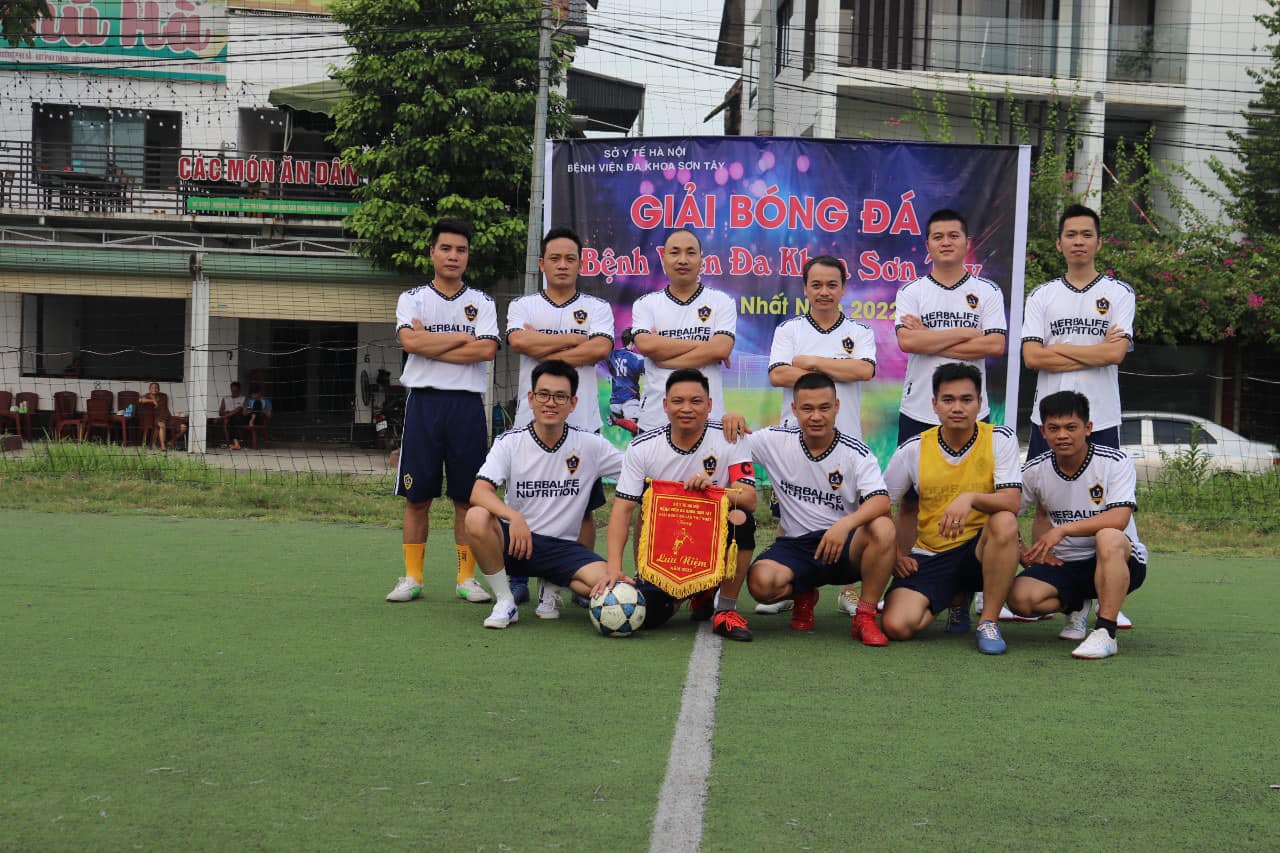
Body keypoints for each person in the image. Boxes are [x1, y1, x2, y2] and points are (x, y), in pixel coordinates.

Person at [1022, 203, 1136, 629]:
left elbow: (1116, 354)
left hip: (1100, 416)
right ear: (1059, 243)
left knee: (1106, 509)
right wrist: (1093, 351)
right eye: (1071, 234)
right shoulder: (1042, 295)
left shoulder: (1119, 293)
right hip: (1049, 417)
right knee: (1046, 501)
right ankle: (1049, 578)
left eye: (1086, 234)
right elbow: (1032, 357)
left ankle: (1104, 593)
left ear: (1098, 242)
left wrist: (1059, 350)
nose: (1078, 242)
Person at [386, 218, 500, 606]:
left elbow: (486, 349)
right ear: (432, 252)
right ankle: (412, 577)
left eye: (461, 250)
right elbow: (410, 342)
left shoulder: (483, 302)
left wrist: (429, 341)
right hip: (424, 404)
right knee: (417, 498)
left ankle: (466, 579)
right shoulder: (412, 299)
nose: (453, 256)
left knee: (467, 499)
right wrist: (460, 337)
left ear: (468, 256)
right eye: (446, 248)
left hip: (466, 406)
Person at [465, 360, 624, 628]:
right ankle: (505, 601)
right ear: (531, 398)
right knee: (476, 517)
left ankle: (553, 584)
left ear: (573, 403)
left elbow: (635, 471)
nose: (551, 403)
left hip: (563, 550)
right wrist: (513, 517)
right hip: (517, 544)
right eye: (543, 395)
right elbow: (479, 491)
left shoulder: (591, 445)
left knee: (615, 589)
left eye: (560, 396)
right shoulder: (509, 442)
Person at [760, 253, 877, 618]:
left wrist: (808, 364)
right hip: (796, 439)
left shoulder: (859, 331)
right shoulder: (789, 330)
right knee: (790, 513)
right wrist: (839, 370)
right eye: (816, 285)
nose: (824, 292)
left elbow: (864, 370)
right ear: (805, 289)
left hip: (845, 440)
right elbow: (778, 375)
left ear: (843, 288)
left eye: (831, 285)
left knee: (850, 512)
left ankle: (848, 591)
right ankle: (794, 586)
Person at [741, 372, 896, 646]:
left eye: (824, 408)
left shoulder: (856, 452)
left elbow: (881, 500)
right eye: (807, 408)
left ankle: (865, 616)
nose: (816, 416)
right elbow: (727, 443)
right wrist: (731, 420)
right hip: (796, 547)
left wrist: (845, 525)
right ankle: (803, 593)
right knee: (761, 584)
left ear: (837, 407)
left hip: (844, 546)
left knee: (883, 527)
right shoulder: (774, 440)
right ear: (794, 409)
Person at [604, 368, 758, 640]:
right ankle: (692, 591)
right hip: (666, 549)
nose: (686, 408)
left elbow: (749, 498)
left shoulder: (730, 437)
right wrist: (614, 567)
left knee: (741, 519)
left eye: (696, 401)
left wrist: (711, 490)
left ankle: (725, 609)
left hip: (711, 536)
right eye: (678, 401)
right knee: (647, 616)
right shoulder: (642, 447)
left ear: (709, 405)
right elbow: (622, 509)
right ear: (665, 405)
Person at [505, 227, 616, 604]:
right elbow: (519, 341)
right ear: (542, 264)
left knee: (583, 508)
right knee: (522, 503)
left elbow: (599, 350)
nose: (563, 265)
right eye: (555, 258)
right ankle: (518, 575)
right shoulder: (523, 306)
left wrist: (545, 347)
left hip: (583, 424)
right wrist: (575, 339)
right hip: (531, 424)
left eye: (570, 258)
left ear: (581, 265)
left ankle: (579, 578)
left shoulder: (597, 308)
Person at [879, 363, 1022, 654]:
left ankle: (988, 621)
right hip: (931, 554)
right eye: (948, 400)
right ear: (934, 404)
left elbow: (1011, 501)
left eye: (966, 399)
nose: (957, 408)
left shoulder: (1000, 438)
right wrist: (896, 554)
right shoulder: (914, 448)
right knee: (897, 626)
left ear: (979, 403)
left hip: (979, 552)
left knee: (1005, 522)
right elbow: (879, 503)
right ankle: (954, 596)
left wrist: (970, 498)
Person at [1007, 391, 1148, 659]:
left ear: (1088, 428)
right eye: (1054, 428)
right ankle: (1076, 603)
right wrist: (1023, 550)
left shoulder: (1115, 462)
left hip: (1118, 559)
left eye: (1071, 427)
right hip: (1066, 563)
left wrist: (1062, 529)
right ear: (1043, 432)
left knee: (1108, 536)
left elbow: (1119, 518)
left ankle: (1106, 632)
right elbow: (1006, 510)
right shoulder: (1034, 470)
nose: (1062, 435)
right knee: (1019, 600)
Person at [630, 229, 737, 432]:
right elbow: (646, 345)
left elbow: (721, 349)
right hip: (655, 420)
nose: (682, 260)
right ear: (663, 259)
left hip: (708, 420)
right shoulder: (646, 304)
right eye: (675, 252)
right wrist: (706, 346)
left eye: (690, 252)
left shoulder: (722, 302)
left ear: (701, 260)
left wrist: (664, 358)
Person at [607, 327, 644, 435]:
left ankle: (618, 420)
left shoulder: (612, 354)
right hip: (629, 400)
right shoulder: (637, 358)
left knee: (634, 430)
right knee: (637, 428)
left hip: (614, 402)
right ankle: (615, 421)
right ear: (632, 342)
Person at [140, 382, 187, 451]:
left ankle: (171, 442)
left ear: (159, 389)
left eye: (156, 388)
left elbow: (164, 409)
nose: (154, 389)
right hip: (155, 418)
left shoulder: (163, 396)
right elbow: (140, 400)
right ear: (149, 389)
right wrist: (152, 400)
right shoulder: (147, 396)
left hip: (167, 417)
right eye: (152, 388)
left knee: (183, 427)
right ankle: (163, 446)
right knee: (162, 425)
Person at [218, 381, 248, 450]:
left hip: (239, 418)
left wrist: (231, 414)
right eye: (232, 390)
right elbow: (220, 412)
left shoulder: (243, 398)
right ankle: (230, 443)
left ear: (239, 390)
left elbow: (243, 411)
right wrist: (226, 414)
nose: (234, 392)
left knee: (235, 414)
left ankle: (232, 443)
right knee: (226, 420)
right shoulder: (225, 399)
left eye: (236, 390)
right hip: (227, 417)